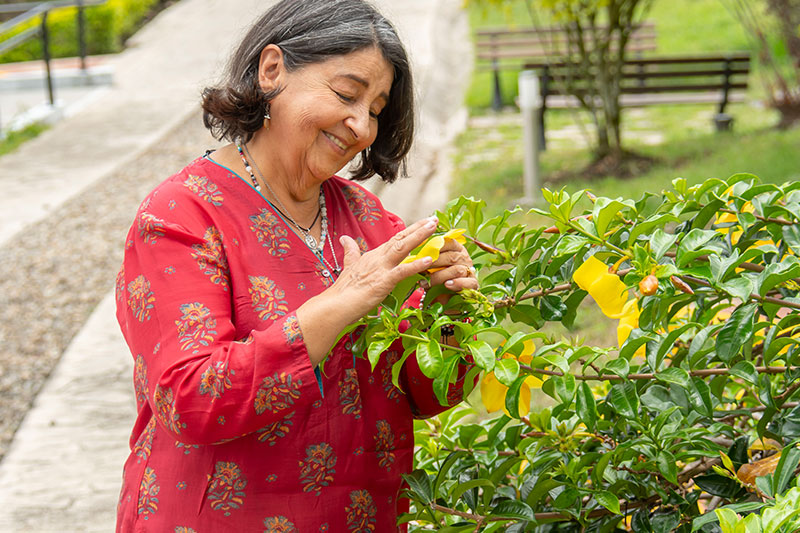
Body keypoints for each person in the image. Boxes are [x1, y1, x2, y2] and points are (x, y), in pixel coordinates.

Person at [114, 0, 478, 530]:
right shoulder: (183, 215)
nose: (361, 125)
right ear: (272, 70)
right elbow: (192, 398)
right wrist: (340, 303)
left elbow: (432, 394)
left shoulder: (372, 221)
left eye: (376, 109)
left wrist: (447, 307)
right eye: (347, 94)